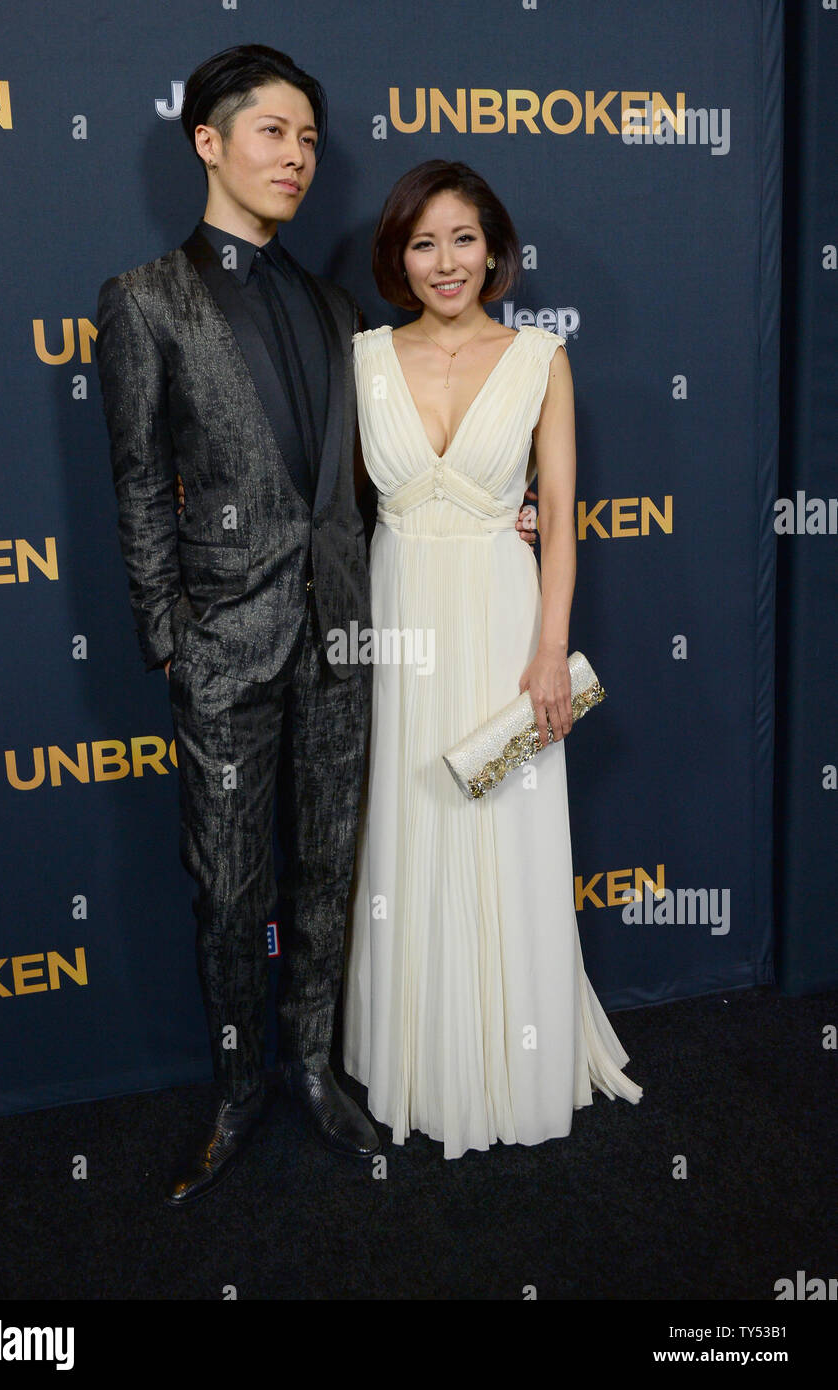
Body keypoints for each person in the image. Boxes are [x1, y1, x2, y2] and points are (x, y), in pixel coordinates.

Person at [95, 44, 384, 1206]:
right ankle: (236, 1088)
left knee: (327, 869)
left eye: (310, 140)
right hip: (223, 645)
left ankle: (311, 1068)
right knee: (229, 888)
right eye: (274, 133)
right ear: (208, 142)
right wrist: (170, 634)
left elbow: (358, 486)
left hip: (341, 639)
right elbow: (132, 479)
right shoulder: (143, 300)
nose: (298, 158)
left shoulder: (335, 305)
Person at [342, 160, 643, 1159]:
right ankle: (415, 1058)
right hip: (396, 618)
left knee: (501, 820)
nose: (445, 262)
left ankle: (512, 1061)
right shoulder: (364, 358)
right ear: (398, 255)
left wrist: (551, 650)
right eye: (422, 242)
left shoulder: (539, 358)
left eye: (463, 238)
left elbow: (557, 520)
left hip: (506, 620)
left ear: (494, 247)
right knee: (408, 822)